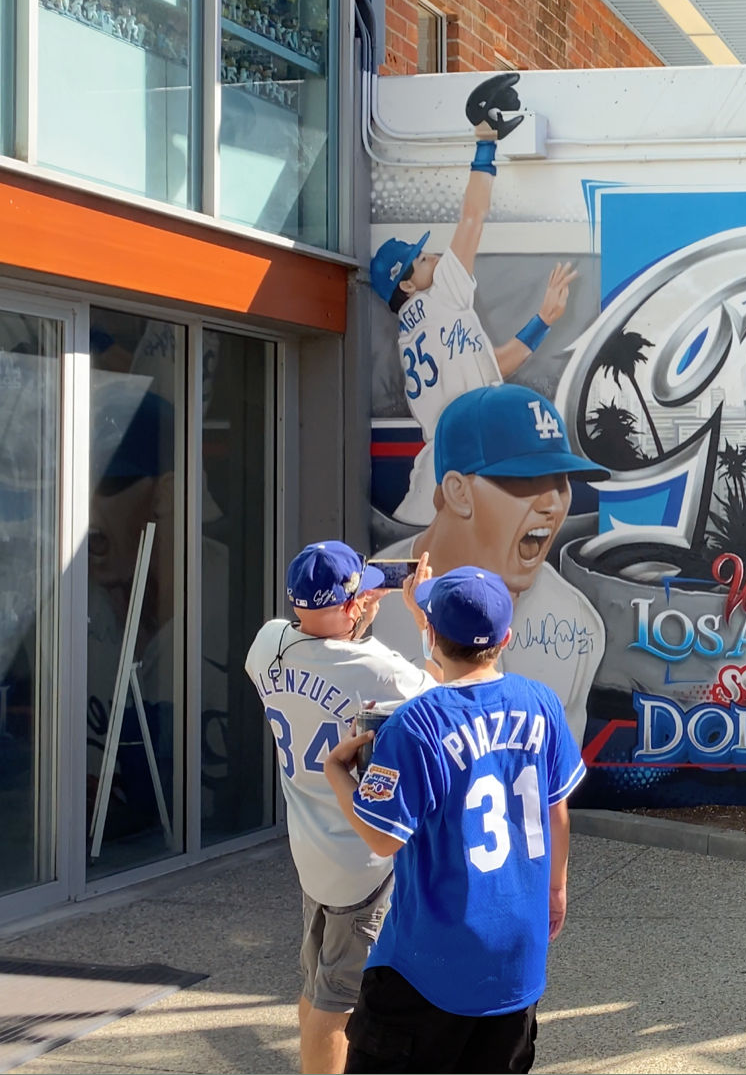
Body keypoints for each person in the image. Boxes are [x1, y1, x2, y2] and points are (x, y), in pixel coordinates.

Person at [323, 564, 585, 1074]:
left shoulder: (414, 724)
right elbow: (558, 812)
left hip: (426, 967)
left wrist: (338, 773)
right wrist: (555, 888)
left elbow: (380, 837)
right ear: (506, 637)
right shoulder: (543, 704)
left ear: (431, 633)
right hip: (515, 958)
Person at [244, 542, 435, 1074]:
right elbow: (447, 697)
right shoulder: (379, 667)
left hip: (310, 853)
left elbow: (318, 649)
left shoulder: (266, 645)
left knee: (318, 984)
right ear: (353, 605)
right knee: (340, 1001)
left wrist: (353, 617)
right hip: (361, 858)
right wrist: (420, 617)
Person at [369, 72, 579, 526]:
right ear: (406, 285)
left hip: (442, 467)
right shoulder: (438, 296)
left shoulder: (418, 328)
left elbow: (489, 368)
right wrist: (485, 141)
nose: (432, 258)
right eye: (420, 260)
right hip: (454, 466)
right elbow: (472, 218)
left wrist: (543, 319)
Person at [368, 384, 608, 742]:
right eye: (526, 481)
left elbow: (553, 784)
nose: (552, 504)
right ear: (458, 492)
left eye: (560, 482)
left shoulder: (576, 622)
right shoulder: (369, 600)